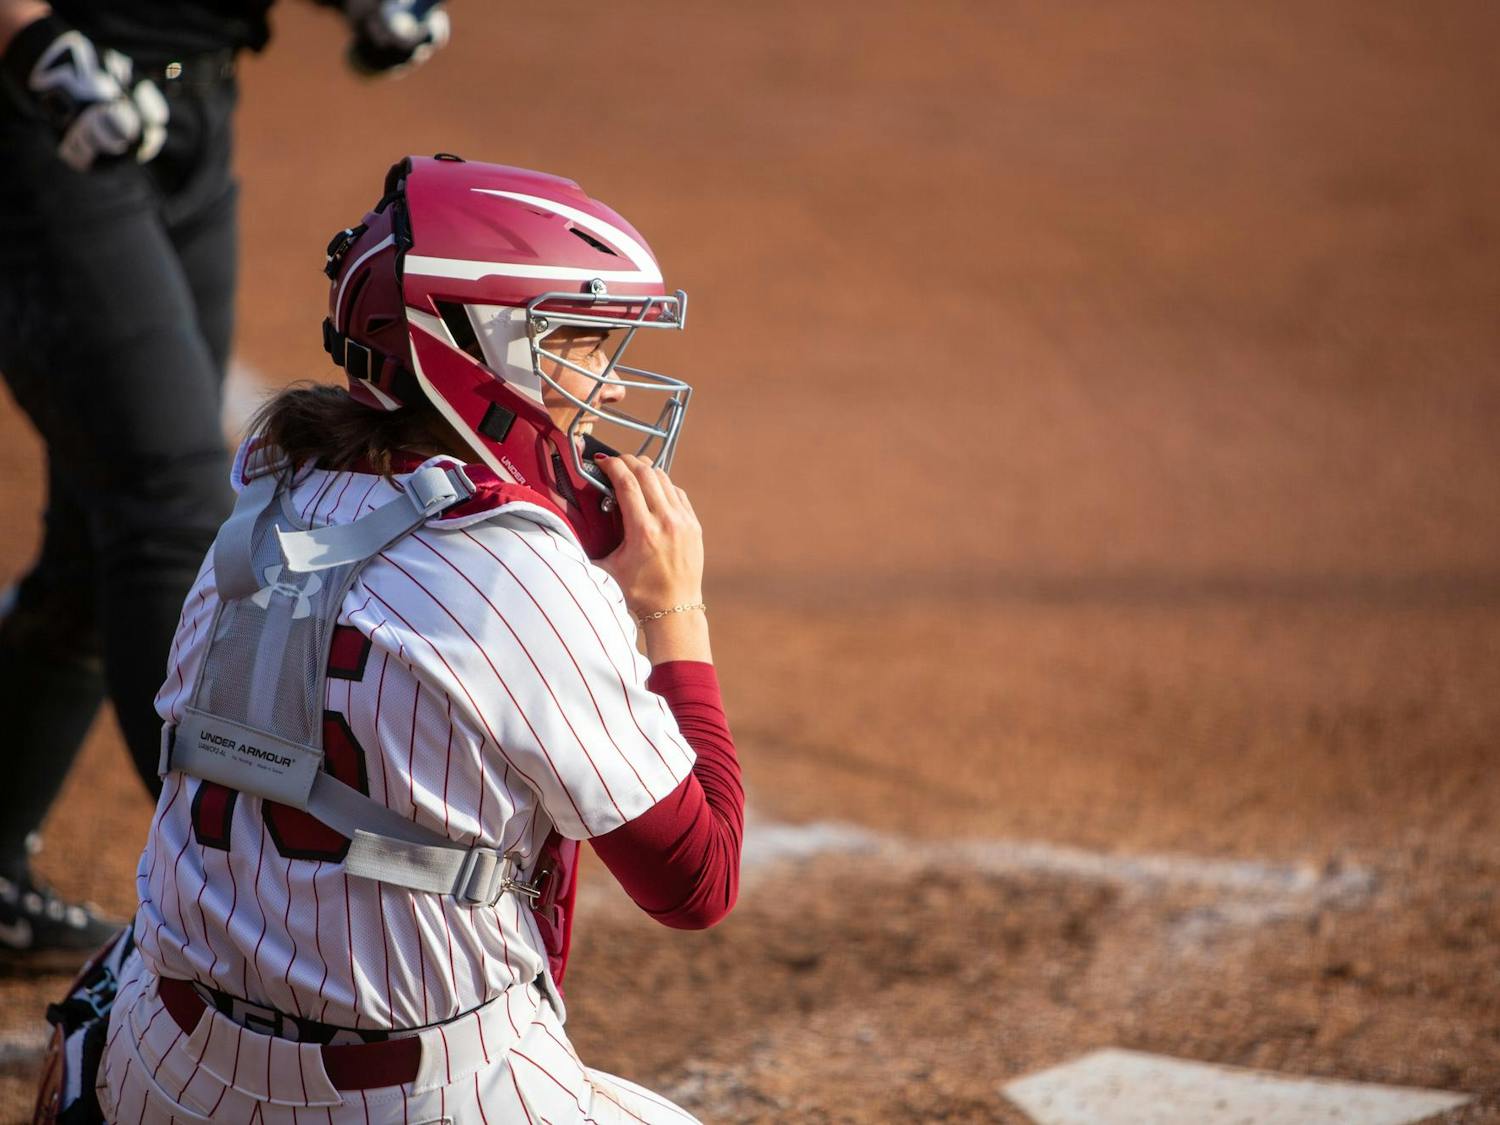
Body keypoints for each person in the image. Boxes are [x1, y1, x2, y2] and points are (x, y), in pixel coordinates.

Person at [93, 155, 743, 1122]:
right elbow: (698, 878)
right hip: (414, 1095)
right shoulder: (515, 567)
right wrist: (673, 612)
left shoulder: (265, 498)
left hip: (163, 1068)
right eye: (575, 340)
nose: (602, 378)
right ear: (468, 346)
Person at [0, 0, 450, 963]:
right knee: (167, 504)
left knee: (100, 532)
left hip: (192, 109)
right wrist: (31, 38)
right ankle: (241, 905)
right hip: (44, 111)